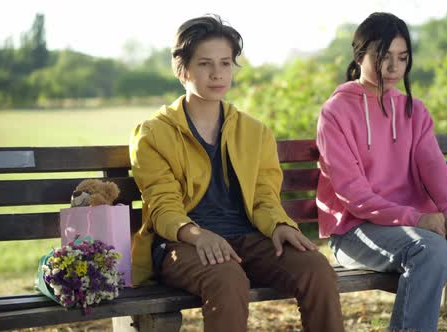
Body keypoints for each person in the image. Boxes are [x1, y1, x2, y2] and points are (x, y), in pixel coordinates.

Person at [130, 14, 344, 332]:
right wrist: (198, 234)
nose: (217, 74)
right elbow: (163, 207)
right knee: (227, 277)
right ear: (182, 69)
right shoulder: (153, 134)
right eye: (204, 64)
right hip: (182, 245)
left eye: (226, 63)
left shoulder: (254, 131)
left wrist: (280, 225)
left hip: (248, 239)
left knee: (316, 268)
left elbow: (264, 195)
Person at [316, 12, 447, 332]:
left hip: (415, 226)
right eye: (384, 57)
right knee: (431, 250)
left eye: (403, 57)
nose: (394, 67)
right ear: (359, 55)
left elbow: (434, 167)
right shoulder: (336, 112)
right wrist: (416, 218)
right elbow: (352, 194)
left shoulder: (414, 110)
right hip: (355, 231)